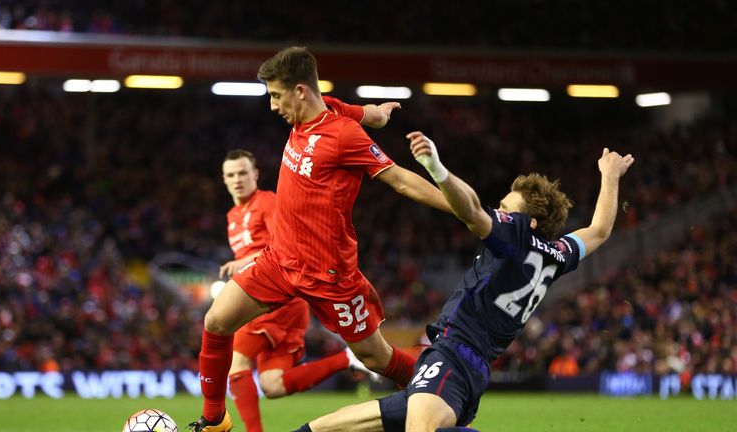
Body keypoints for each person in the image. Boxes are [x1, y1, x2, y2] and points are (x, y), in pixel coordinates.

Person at [295, 131, 634, 432]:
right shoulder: (557, 253)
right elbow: (600, 230)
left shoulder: (514, 235)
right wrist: (610, 176)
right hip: (470, 368)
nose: (497, 212)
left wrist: (436, 168)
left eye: (504, 207)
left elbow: (470, 210)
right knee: (335, 426)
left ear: (529, 222)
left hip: (453, 356)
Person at [188, 46, 452, 432]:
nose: (273, 106)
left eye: (276, 96)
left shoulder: (344, 134)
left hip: (330, 274)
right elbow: (343, 105)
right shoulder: (317, 110)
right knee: (216, 321)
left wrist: (464, 208)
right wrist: (373, 113)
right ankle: (215, 421)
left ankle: (444, 388)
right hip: (279, 262)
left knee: (376, 358)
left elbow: (399, 180)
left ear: (299, 91)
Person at [220, 149, 383, 432]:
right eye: (231, 175)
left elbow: (285, 244)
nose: (238, 179)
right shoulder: (233, 215)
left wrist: (244, 261)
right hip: (285, 304)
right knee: (272, 385)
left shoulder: (267, 202)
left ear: (255, 174)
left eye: (243, 173)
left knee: (236, 362)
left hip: (274, 295)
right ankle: (347, 358)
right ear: (224, 179)